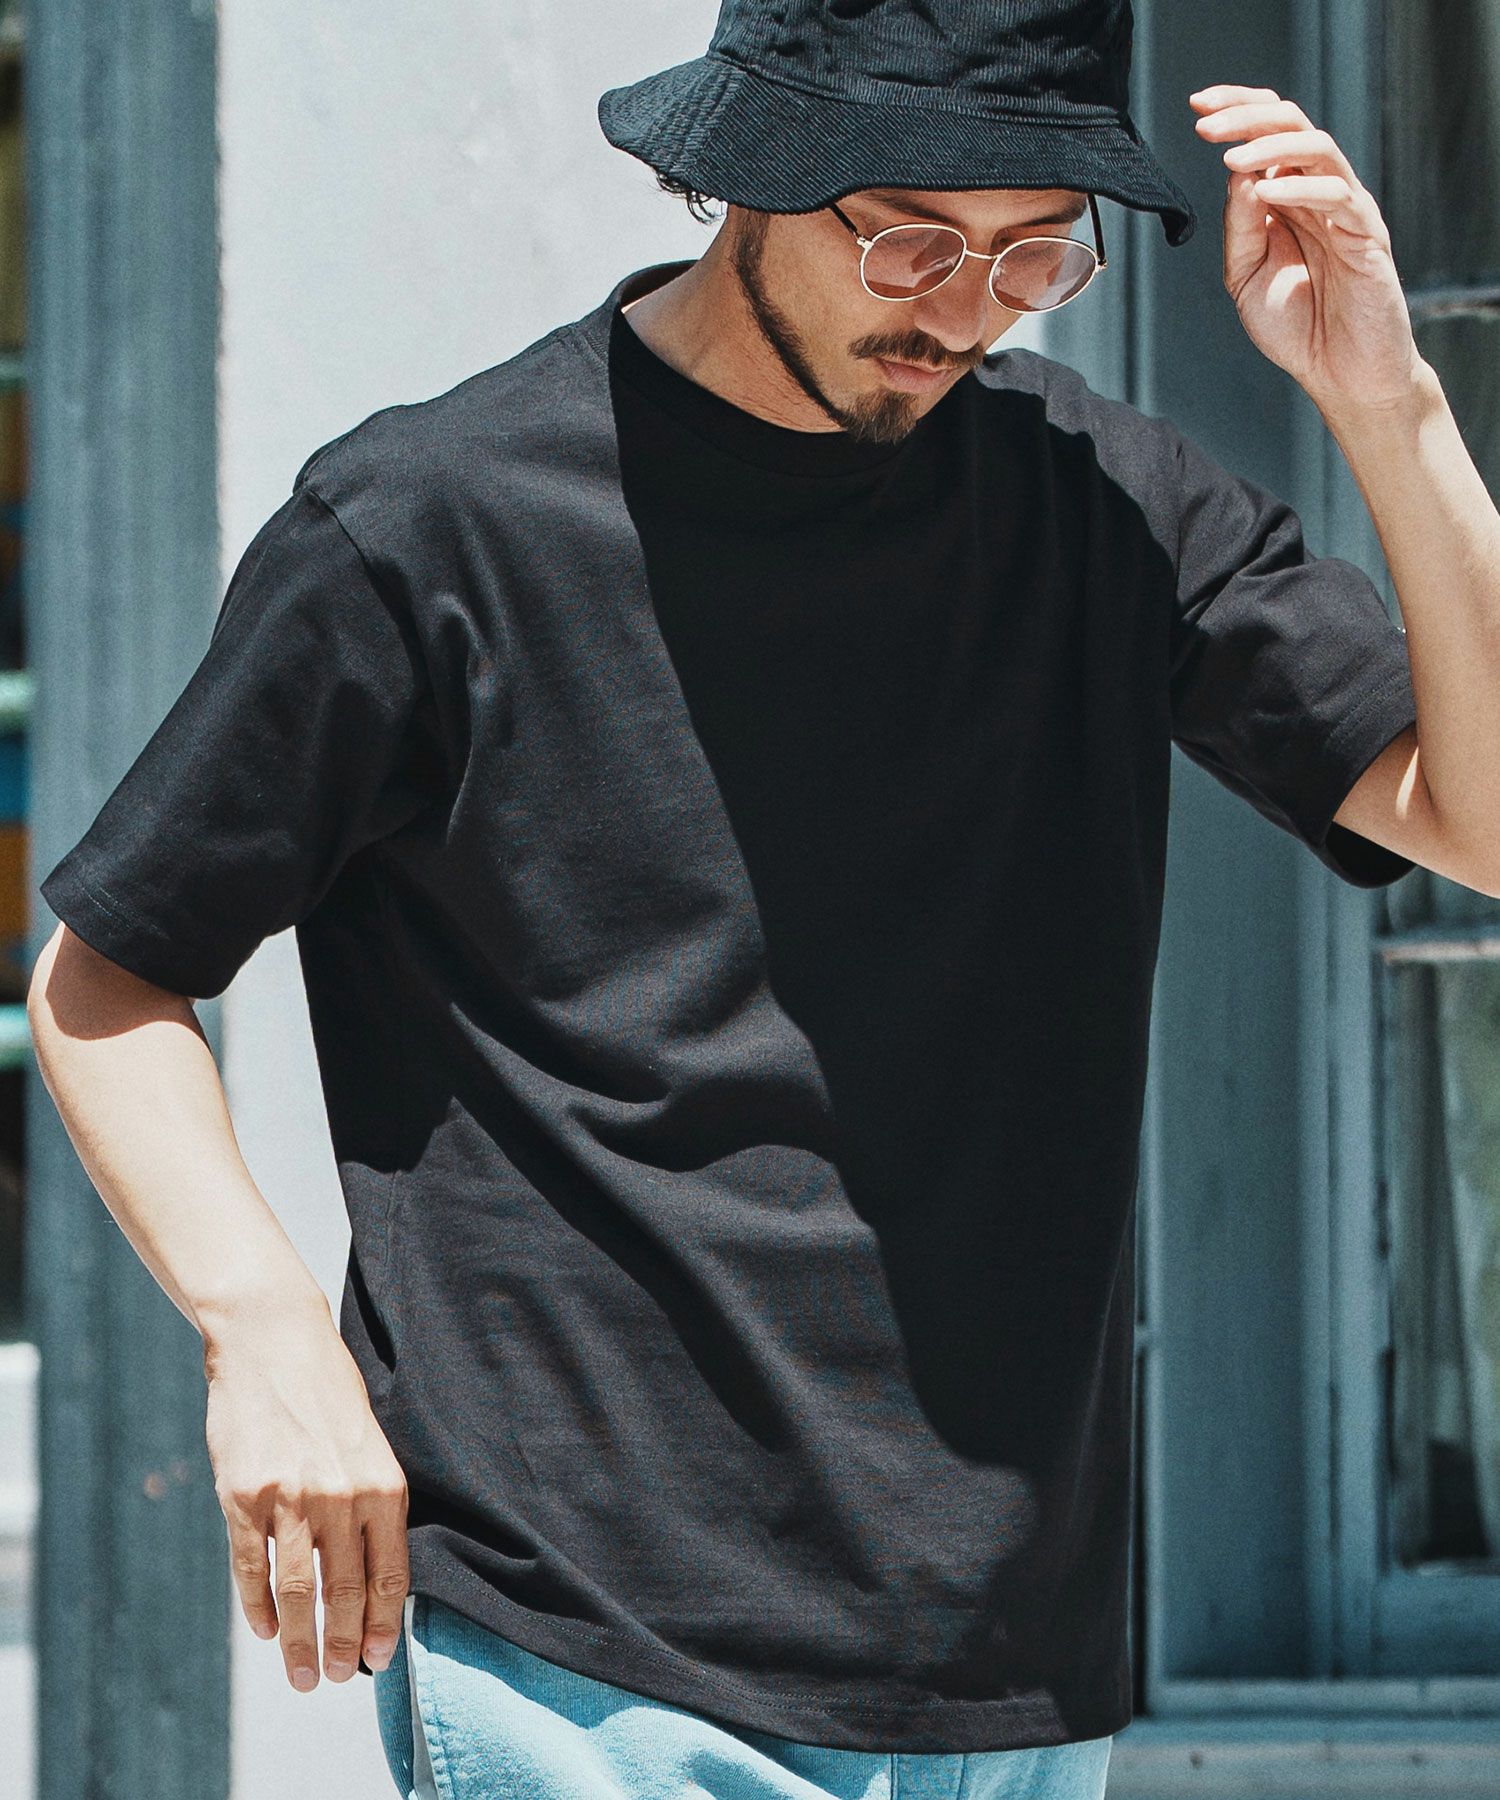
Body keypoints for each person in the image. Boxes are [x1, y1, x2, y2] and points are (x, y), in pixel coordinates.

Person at [32, 0, 1495, 1794]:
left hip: (1017, 1678)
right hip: (594, 1667)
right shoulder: (429, 525)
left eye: (1034, 254)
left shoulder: (1109, 505)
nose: (964, 312)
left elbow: (1483, 820)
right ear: (752, 175)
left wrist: (1391, 402)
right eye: (914, 242)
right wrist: (262, 1333)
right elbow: (106, 978)